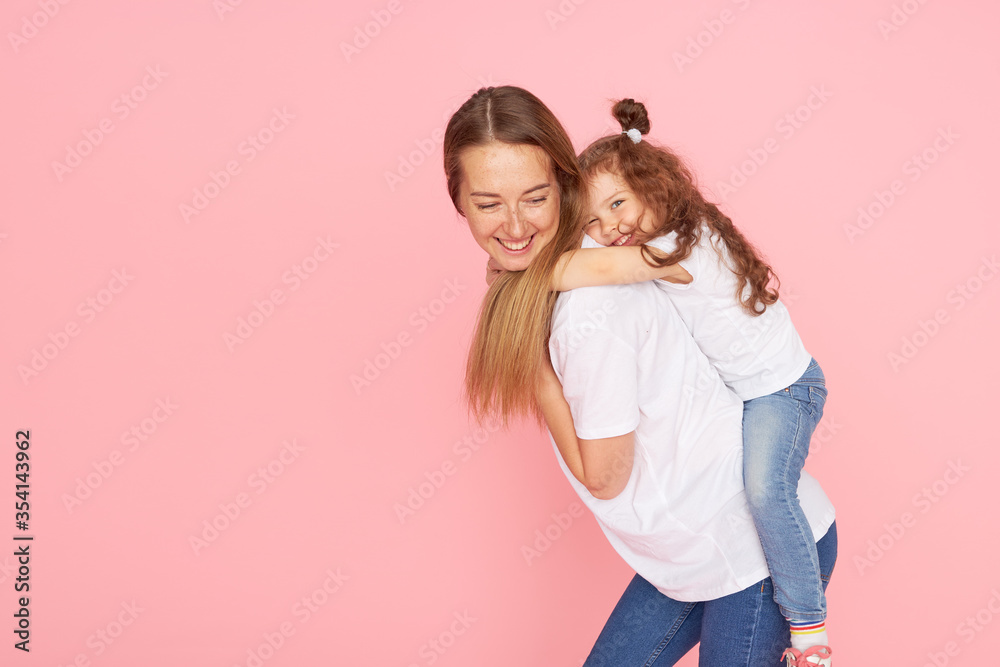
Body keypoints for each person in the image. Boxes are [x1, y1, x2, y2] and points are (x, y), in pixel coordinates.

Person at [444, 85, 836, 666]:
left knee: (765, 494)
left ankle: (811, 634)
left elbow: (603, 477)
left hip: (751, 552)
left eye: (534, 197)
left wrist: (538, 368)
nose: (515, 225)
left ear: (562, 186)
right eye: (487, 204)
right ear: (457, 201)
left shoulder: (595, 303)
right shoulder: (594, 243)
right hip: (691, 554)